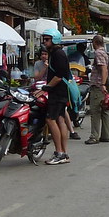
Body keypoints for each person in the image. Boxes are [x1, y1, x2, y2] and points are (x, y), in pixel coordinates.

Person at [34, 29, 72, 165]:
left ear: (54, 40)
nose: (45, 42)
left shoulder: (58, 54)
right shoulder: (55, 54)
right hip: (58, 92)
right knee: (60, 120)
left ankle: (59, 153)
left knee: (50, 120)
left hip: (57, 93)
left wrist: (46, 87)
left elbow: (59, 76)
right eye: (44, 39)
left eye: (47, 39)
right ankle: (64, 153)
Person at [85, 35, 109, 144]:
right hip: (104, 85)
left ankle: (94, 136)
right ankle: (106, 135)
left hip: (98, 86)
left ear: (95, 42)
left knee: (95, 111)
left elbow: (103, 69)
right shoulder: (105, 52)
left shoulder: (98, 53)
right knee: (105, 111)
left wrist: (102, 84)